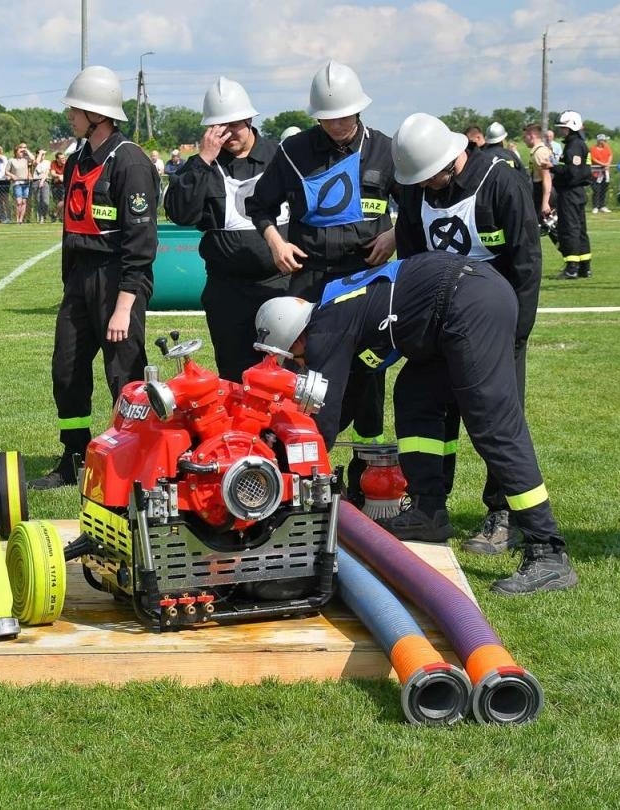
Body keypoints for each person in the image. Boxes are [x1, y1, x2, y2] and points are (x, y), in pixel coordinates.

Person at [254, 253, 578, 595]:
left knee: (494, 426)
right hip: (456, 303)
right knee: (414, 396)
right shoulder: (335, 314)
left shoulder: (324, 329)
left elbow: (324, 421)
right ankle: (428, 510)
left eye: (290, 359)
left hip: (467, 301)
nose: (295, 367)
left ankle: (548, 552)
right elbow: (348, 399)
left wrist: (276, 472)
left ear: (295, 340)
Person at [388, 114, 540, 551]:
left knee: (496, 419)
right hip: (438, 325)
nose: (423, 186)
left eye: (427, 177)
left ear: (451, 159)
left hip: (495, 324)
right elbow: (413, 261)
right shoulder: (418, 191)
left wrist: (516, 334)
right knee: (422, 403)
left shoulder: (501, 182)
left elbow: (526, 263)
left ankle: (503, 513)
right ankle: (428, 504)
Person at [244, 61, 399, 454]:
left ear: (359, 109)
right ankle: (304, 458)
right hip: (311, 278)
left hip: (365, 277)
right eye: (327, 118)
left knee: (367, 371)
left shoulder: (384, 149)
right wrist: (276, 243)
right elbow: (259, 205)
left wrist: (395, 234)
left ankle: (370, 461)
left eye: (342, 117)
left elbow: (416, 203)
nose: (335, 125)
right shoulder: (294, 152)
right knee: (305, 370)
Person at [31, 66, 160, 489]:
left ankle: (134, 459)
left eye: (75, 109)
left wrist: (124, 306)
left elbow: (140, 245)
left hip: (118, 279)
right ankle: (73, 456)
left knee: (124, 376)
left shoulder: (132, 163)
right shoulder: (77, 161)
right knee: (66, 369)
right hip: (80, 278)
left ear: (96, 114)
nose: (70, 115)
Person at [162, 75, 289, 381]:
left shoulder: (281, 156)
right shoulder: (200, 165)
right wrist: (204, 159)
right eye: (220, 127)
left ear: (249, 118)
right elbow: (180, 213)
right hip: (228, 291)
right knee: (235, 376)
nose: (228, 133)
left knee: (284, 375)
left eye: (234, 124)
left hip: (281, 286)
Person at [552, 110, 592, 279]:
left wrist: (552, 166)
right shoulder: (580, 144)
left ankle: (572, 268)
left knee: (570, 229)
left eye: (563, 127)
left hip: (570, 193)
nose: (562, 131)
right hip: (577, 193)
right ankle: (585, 267)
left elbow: (572, 172)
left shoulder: (574, 145)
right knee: (580, 230)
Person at [522, 123, 554, 223]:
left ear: (532, 136)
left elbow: (546, 178)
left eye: (525, 136)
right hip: (540, 190)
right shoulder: (537, 151)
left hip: (543, 191)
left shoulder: (539, 153)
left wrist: (545, 202)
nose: (524, 139)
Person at [6, 143, 33, 224]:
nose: (22, 153)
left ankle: (21, 219)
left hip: (26, 183)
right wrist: (12, 175)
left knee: (24, 202)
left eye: (22, 151)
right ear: (16, 152)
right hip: (17, 183)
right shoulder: (11, 160)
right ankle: (17, 219)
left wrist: (26, 151)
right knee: (19, 202)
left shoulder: (26, 159)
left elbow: (33, 158)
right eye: (20, 151)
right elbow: (6, 171)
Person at [588, 133, 612, 213]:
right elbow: (593, 158)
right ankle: (595, 206)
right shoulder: (593, 149)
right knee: (596, 189)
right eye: (604, 140)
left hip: (605, 172)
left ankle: (602, 205)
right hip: (596, 172)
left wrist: (608, 163)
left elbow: (610, 155)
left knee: (604, 189)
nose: (605, 142)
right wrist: (602, 164)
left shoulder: (607, 148)